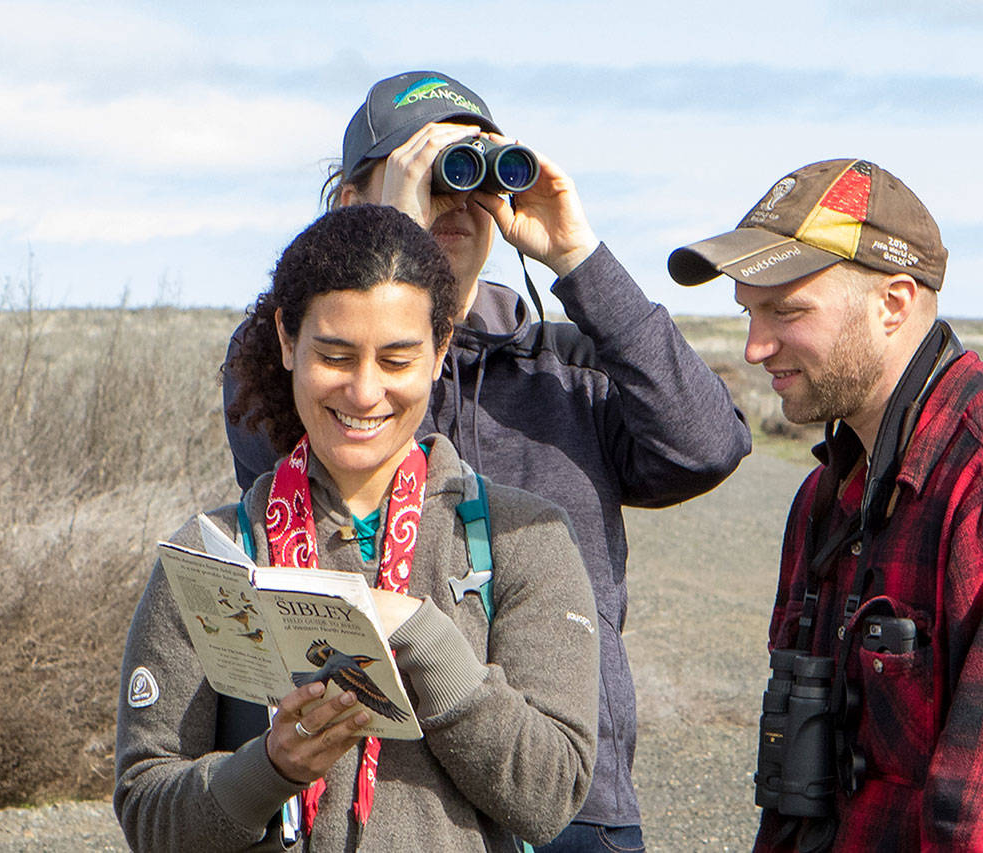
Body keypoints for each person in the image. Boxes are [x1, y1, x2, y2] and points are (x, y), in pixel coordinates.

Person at [223, 71, 752, 851]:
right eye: (423, 174)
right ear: (348, 200)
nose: (452, 200)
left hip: (570, 793)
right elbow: (303, 455)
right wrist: (385, 255)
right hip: (380, 800)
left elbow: (706, 445)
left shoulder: (566, 366)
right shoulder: (301, 367)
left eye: (469, 175)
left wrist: (579, 254)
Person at [668, 159, 983, 850]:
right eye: (750, 312)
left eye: (786, 310)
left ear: (894, 302)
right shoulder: (826, 499)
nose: (755, 346)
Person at [116, 204, 600, 852]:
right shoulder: (212, 555)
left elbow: (550, 796)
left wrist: (425, 640)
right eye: (336, 355)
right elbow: (148, 813)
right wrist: (270, 767)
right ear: (289, 341)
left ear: (440, 349)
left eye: (397, 359)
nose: (365, 391)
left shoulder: (522, 538)